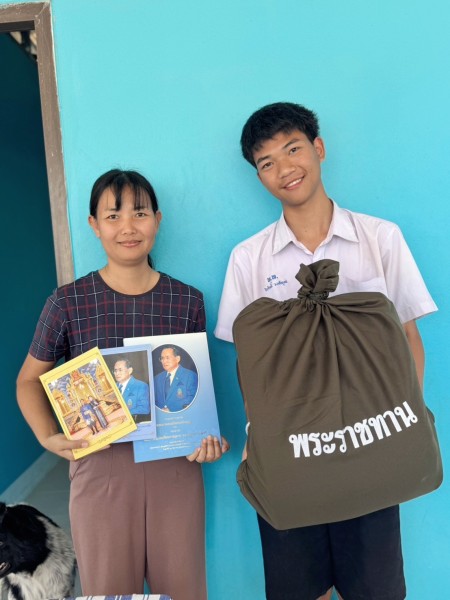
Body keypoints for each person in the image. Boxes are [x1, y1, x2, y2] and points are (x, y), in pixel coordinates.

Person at [214, 102, 437, 600]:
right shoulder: (249, 258)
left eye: (293, 149)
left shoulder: (379, 238)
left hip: (372, 443)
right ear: (258, 175)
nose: (284, 168)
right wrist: (259, 436)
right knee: (298, 587)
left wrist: (406, 424)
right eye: (267, 162)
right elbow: (248, 361)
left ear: (318, 148)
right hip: (291, 452)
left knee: (374, 588)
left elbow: (407, 336)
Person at [17, 168, 229, 599]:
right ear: (94, 225)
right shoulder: (67, 302)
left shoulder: (187, 300)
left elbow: (194, 393)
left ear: (158, 220)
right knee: (108, 591)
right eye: (113, 216)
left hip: (175, 463)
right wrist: (48, 436)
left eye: (140, 213)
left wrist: (206, 439)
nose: (128, 227)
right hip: (100, 467)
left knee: (183, 588)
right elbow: (29, 380)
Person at [154, 345, 198, 411]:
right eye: (162, 358)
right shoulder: (157, 379)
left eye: (167, 358)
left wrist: (172, 409)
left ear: (177, 359)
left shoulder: (190, 376)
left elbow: (193, 399)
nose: (164, 361)